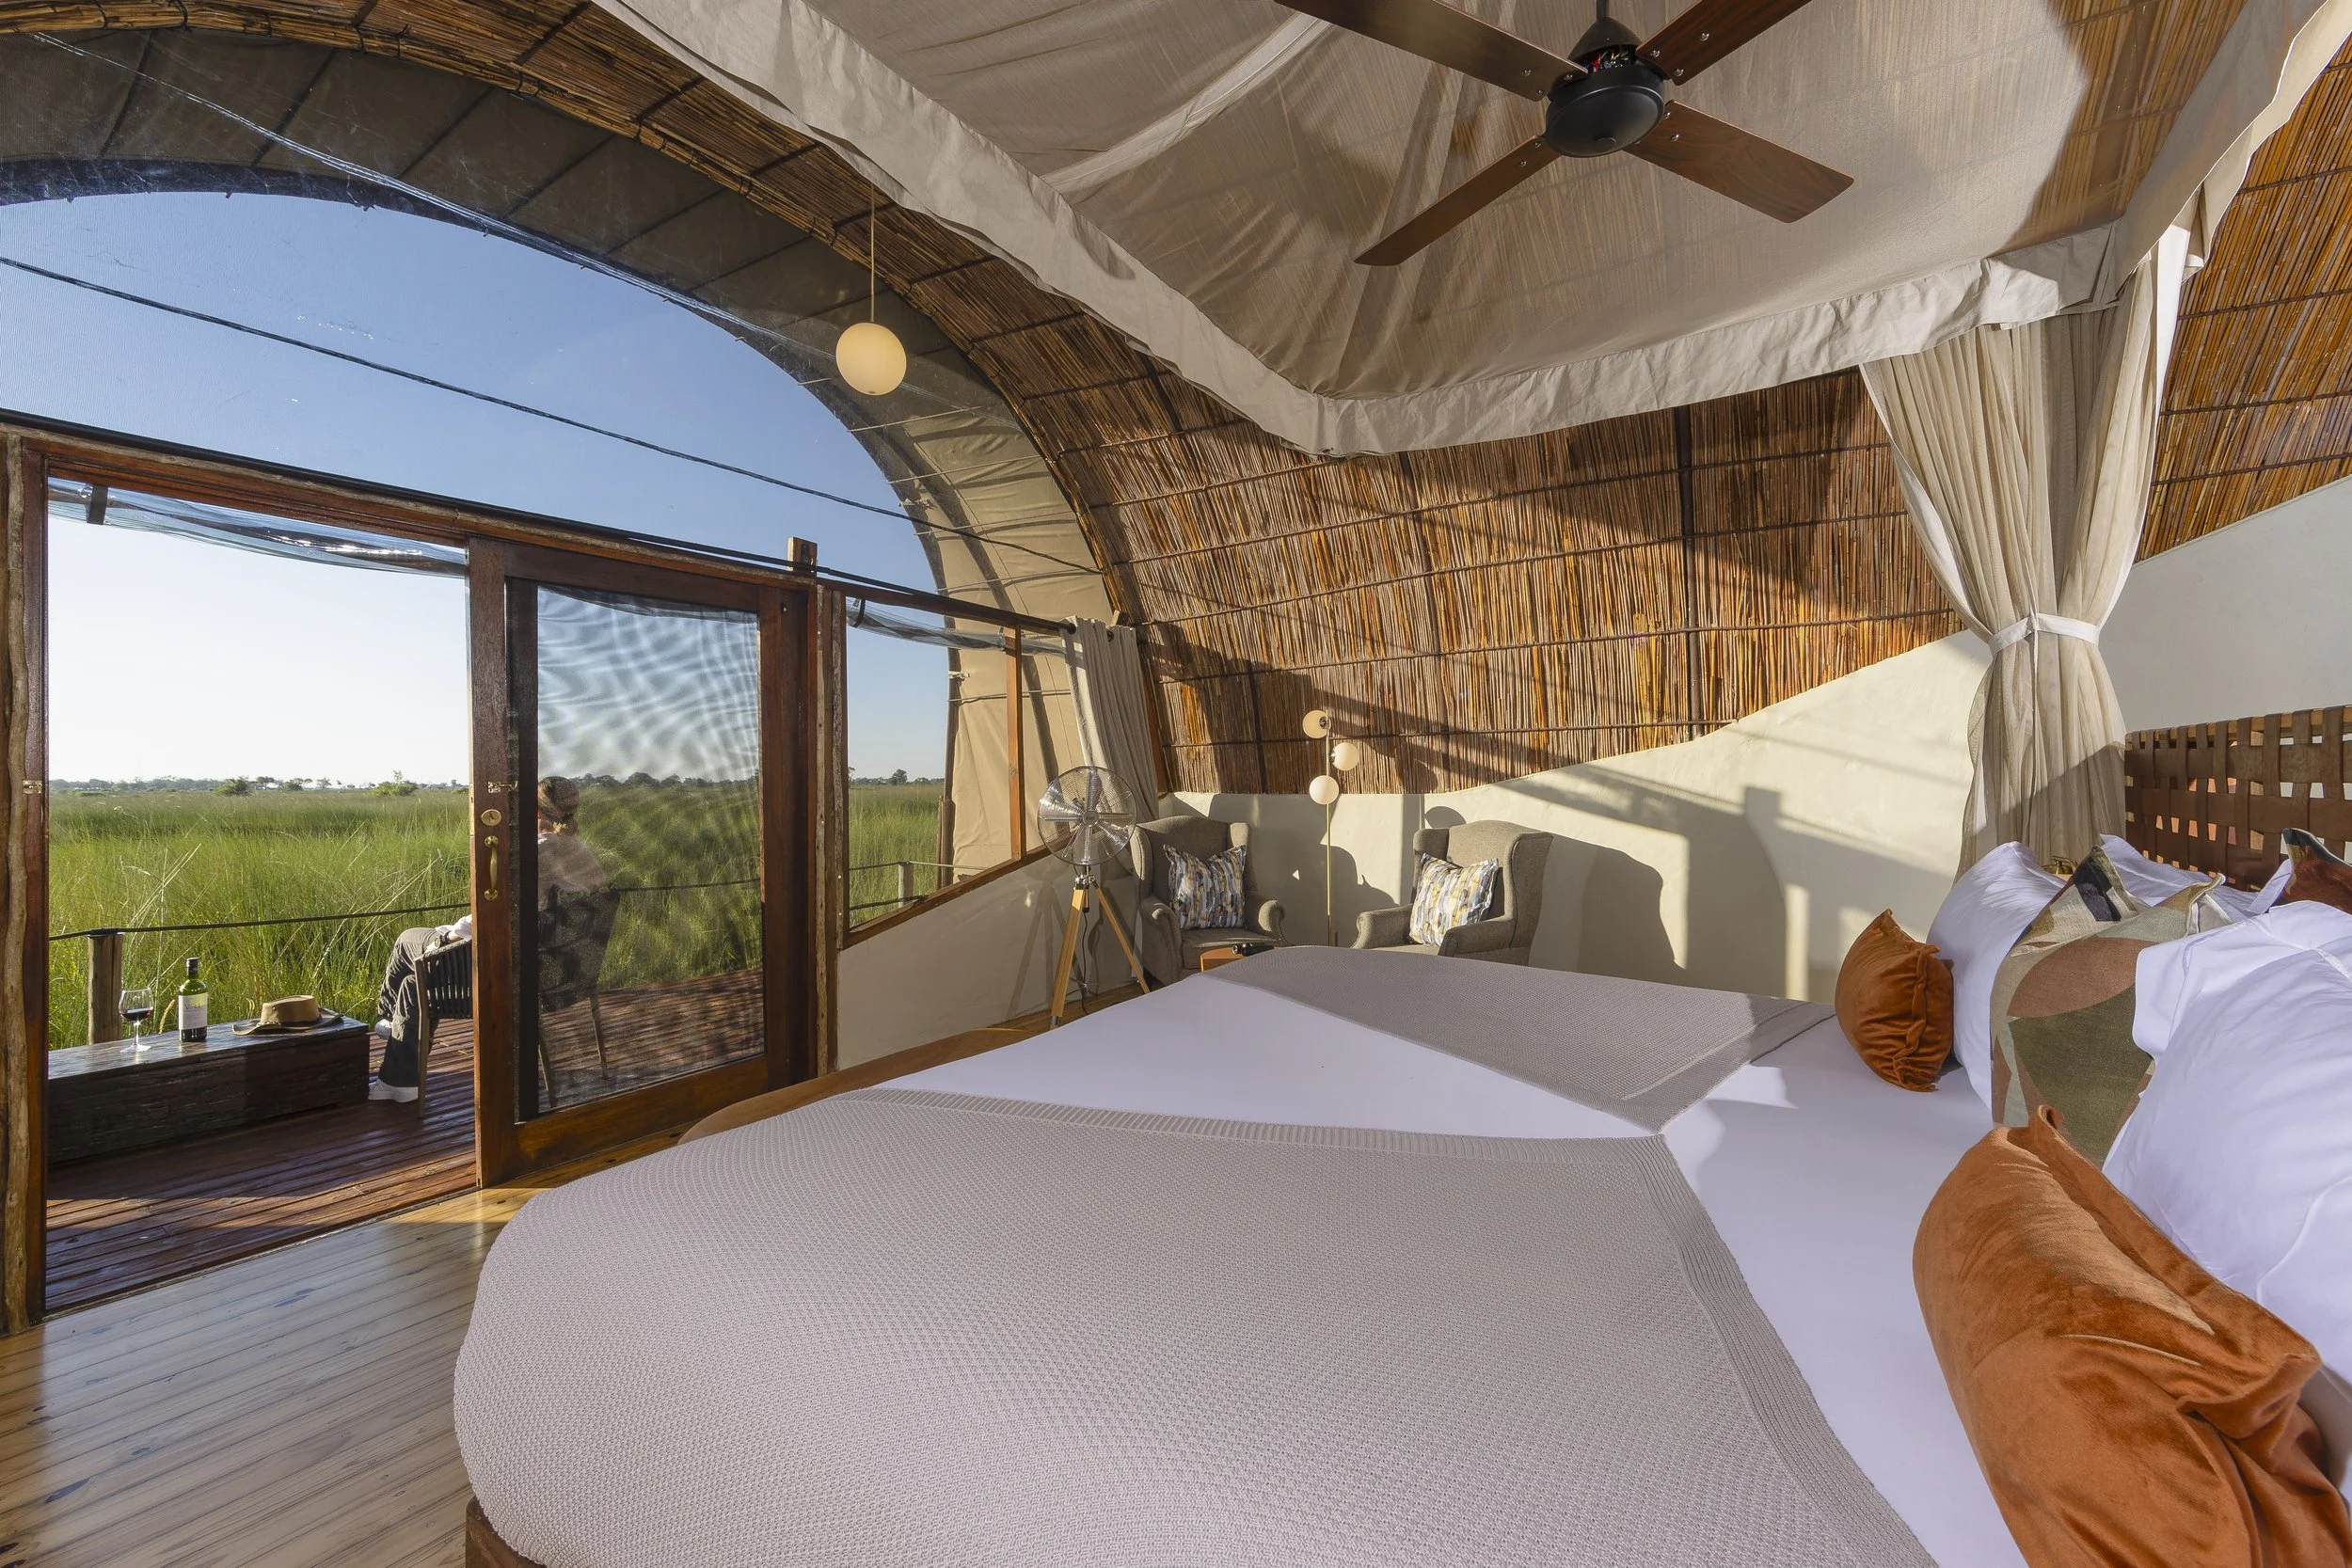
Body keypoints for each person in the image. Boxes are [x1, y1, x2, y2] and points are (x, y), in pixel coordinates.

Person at [368, 776, 609, 1101]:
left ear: (536, 814)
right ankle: (390, 1029)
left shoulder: (533, 854)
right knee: (415, 949)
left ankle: (397, 1063)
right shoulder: (582, 852)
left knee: (409, 954)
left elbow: (495, 916)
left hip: (516, 972)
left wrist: (452, 934)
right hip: (563, 972)